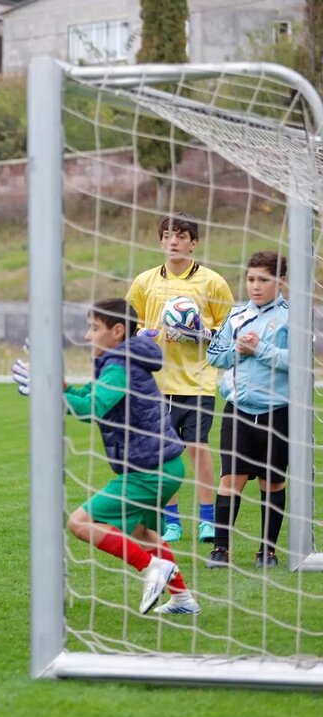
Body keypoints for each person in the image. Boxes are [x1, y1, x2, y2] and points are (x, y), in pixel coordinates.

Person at [12, 299, 200, 615]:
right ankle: (183, 600)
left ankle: (150, 568)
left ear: (117, 331)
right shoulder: (124, 361)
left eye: (94, 328)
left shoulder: (120, 365)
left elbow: (90, 409)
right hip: (164, 467)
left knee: (80, 523)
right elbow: (88, 395)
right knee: (143, 533)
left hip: (149, 472)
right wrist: (55, 385)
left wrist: (48, 392)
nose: (87, 336)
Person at [126, 212, 235, 544]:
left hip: (198, 380)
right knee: (163, 454)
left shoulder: (212, 281)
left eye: (181, 235)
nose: (174, 241)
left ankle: (207, 520)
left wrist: (201, 333)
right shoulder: (145, 281)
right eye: (168, 235)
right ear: (161, 241)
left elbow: (230, 329)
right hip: (157, 382)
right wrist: (146, 333)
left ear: (193, 243)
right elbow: (129, 325)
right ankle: (171, 521)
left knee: (197, 449)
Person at [205, 250, 290, 568]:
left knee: (273, 481)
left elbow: (296, 362)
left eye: (263, 280)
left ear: (281, 281)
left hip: (278, 412)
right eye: (251, 279)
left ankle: (267, 551)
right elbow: (215, 355)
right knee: (231, 479)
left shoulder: (291, 317)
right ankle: (220, 549)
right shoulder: (237, 315)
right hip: (238, 410)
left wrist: (261, 348)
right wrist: (238, 350)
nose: (255, 286)